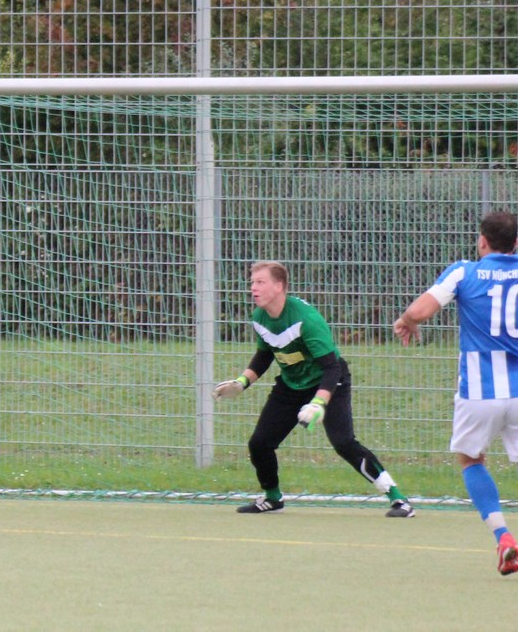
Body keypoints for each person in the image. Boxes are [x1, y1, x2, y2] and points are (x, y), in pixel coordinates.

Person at [214, 260, 414, 517]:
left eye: (260, 282)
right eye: (252, 282)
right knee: (260, 444)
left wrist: (318, 403)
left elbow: (331, 368)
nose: (253, 288)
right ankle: (273, 498)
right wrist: (241, 382)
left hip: (330, 381)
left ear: (279, 286)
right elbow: (265, 354)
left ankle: (399, 500)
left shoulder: (306, 319)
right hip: (291, 384)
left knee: (344, 442)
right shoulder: (259, 317)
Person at [394, 210, 518, 574]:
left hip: (479, 391)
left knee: (470, 458)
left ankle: (504, 538)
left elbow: (420, 310)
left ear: (482, 240)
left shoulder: (465, 271)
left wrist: (407, 321)